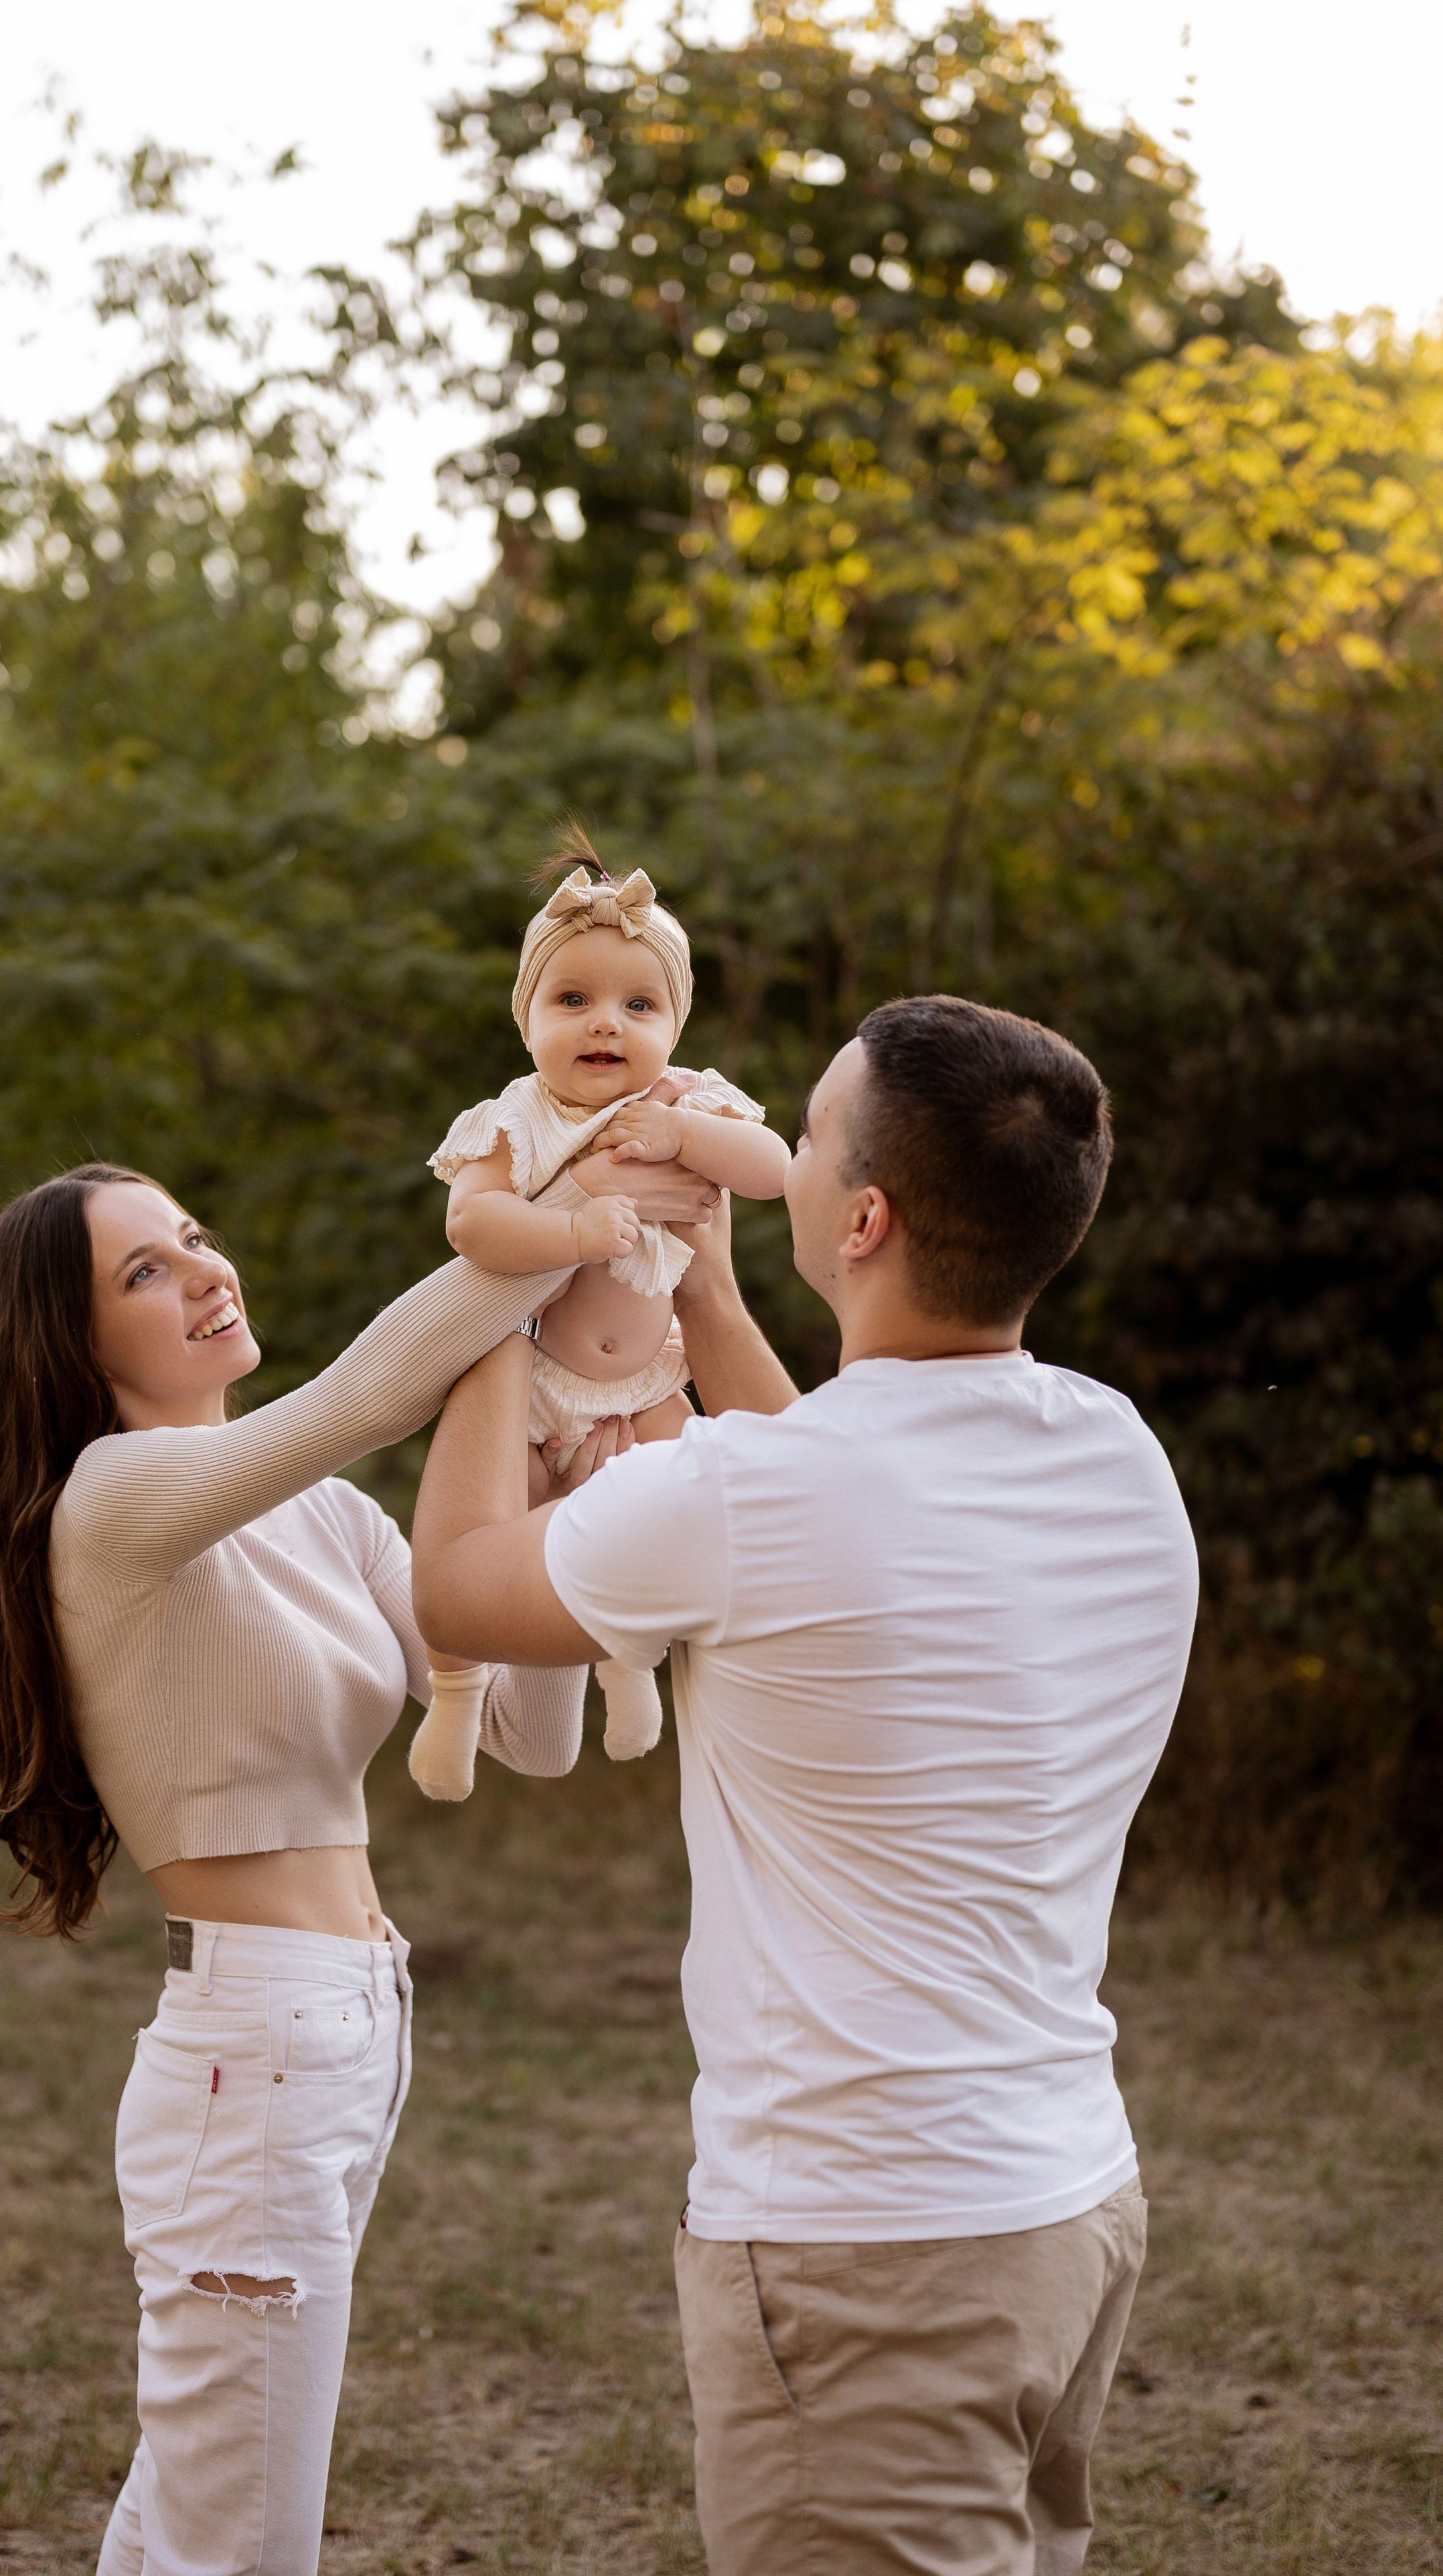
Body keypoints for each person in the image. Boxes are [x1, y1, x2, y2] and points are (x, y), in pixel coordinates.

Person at [410, 995, 1200, 2576]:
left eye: (806, 1129)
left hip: (866, 2250)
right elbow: (842, 1489)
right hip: (1065, 2205)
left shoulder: (743, 1494)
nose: (765, 1138)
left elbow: (454, 1592)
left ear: (858, 1216)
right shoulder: (1114, 1452)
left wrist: (501, 1320)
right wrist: (698, 1292)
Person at [0, 1149, 715, 2576]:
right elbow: (368, 1396)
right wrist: (578, 1202)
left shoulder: (319, 1516)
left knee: (201, 2506)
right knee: (242, 2535)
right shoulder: (111, 1498)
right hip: (255, 2047)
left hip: (345, 2027)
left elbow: (530, 1732)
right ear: (73, 1339)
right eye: (145, 1272)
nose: (203, 1271)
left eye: (193, 1237)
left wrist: (557, 1472)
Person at [410, 840, 789, 1797]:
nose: (604, 1025)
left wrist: (687, 1135)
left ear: (675, 1023)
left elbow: (776, 1170)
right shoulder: (518, 1117)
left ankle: (633, 1672)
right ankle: (456, 1700)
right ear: (527, 1020)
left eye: (638, 1005)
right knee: (499, 1539)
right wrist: (575, 1224)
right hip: (536, 1384)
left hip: (652, 1376)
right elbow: (471, 1222)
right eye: (571, 1001)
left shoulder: (684, 1100)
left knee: (681, 1508)